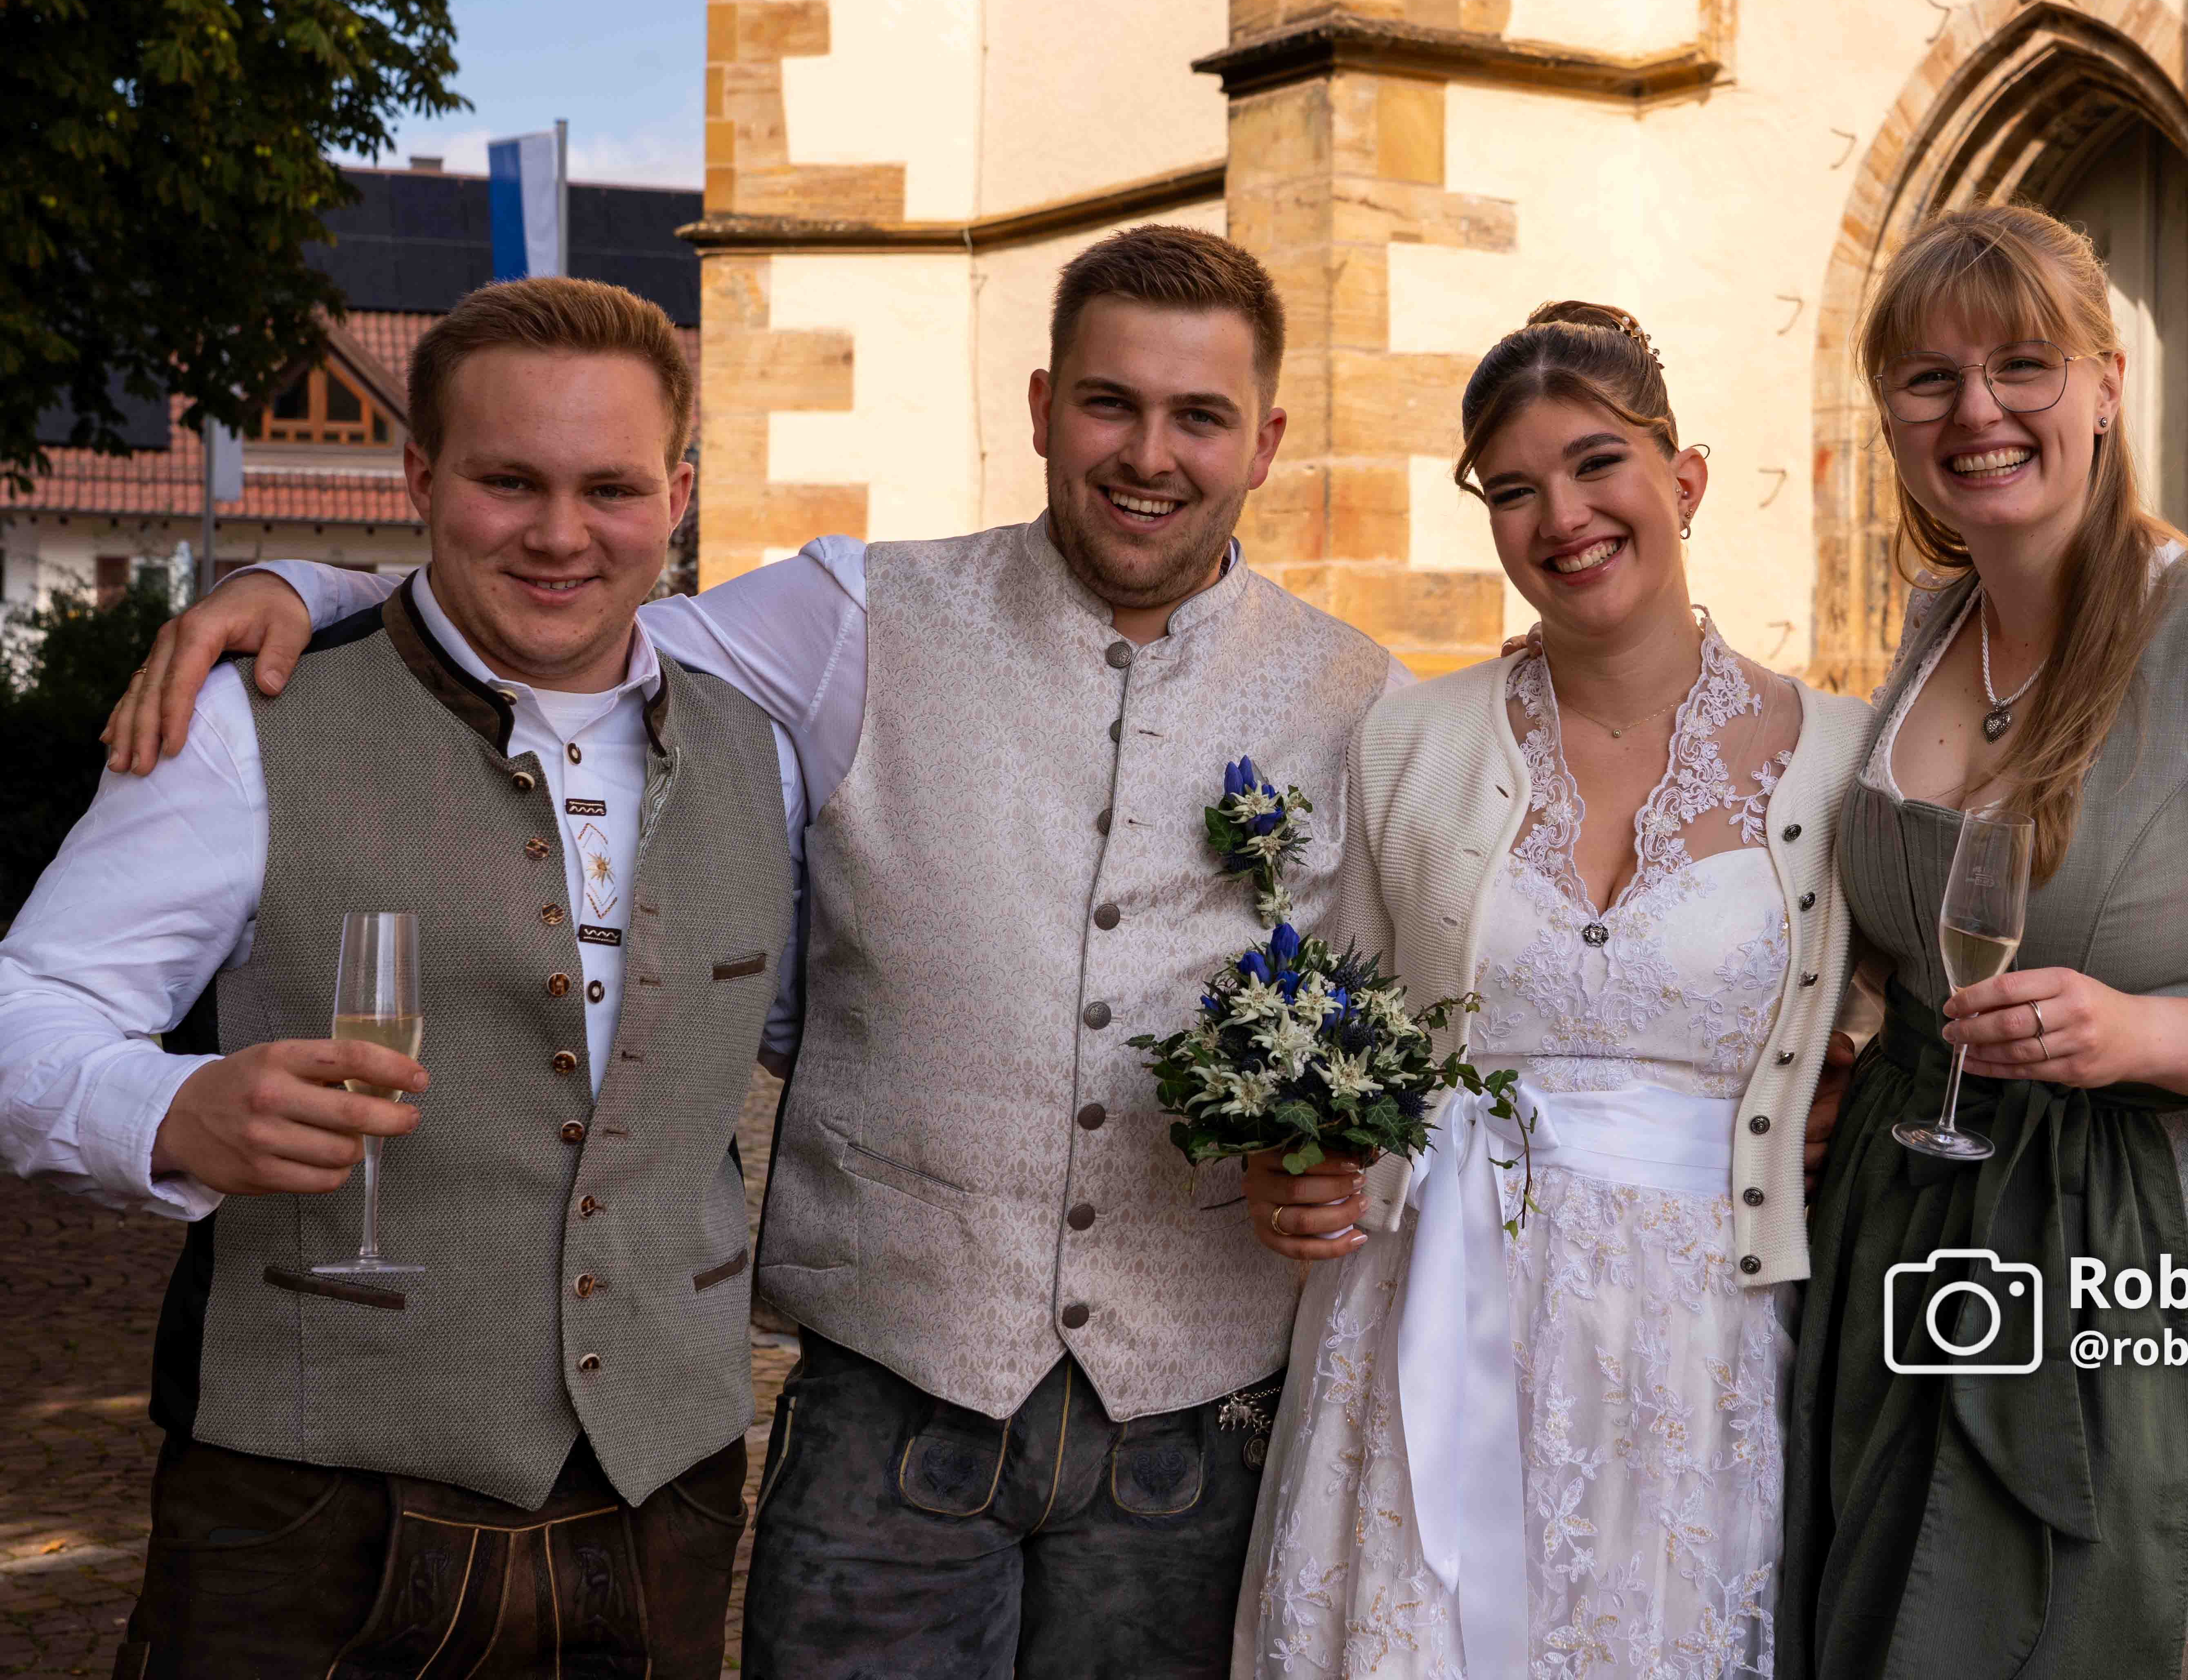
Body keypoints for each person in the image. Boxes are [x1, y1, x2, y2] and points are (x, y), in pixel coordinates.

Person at [100, 226, 1402, 1679]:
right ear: (1043, 410)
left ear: (1268, 440)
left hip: (1200, 1415)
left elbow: (1415, 1030)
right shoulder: (849, 615)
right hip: (886, 1401)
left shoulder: (1366, 704)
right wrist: (304, 584)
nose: (1147, 452)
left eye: (1200, 416)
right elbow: (568, 616)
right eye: (1109, 403)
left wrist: (1350, 1161)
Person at [1227, 303, 2188, 1680]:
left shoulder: (1844, 759)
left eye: (1597, 463)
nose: (1562, 513)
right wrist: (1289, 1160)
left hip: (1707, 1337)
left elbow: (1931, 1000)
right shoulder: (1407, 744)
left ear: (1682, 480)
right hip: (1431, 1317)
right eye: (1513, 488)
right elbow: (1336, 1038)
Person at [0, 277, 806, 1677]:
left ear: (676, 495)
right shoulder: (255, 720)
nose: (562, 535)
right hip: (309, 1518)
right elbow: (29, 1009)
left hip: (660, 1502)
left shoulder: (765, 752)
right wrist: (168, 1109)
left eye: (610, 487)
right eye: (509, 482)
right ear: (422, 477)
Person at [1776, 207, 2188, 1680]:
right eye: (1928, 380)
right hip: (1897, 1231)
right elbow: (1899, 947)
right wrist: (1842, 1059)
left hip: (2123, 1250)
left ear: (2104, 384)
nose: (1978, 411)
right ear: (1888, 415)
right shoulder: (1933, 630)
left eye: (2024, 364)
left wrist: (2154, 1039)